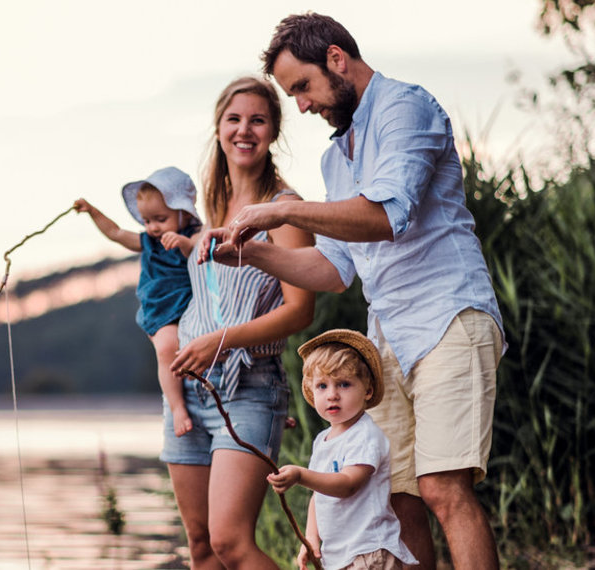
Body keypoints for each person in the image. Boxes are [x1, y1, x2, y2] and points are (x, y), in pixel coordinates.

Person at [202, 13, 506, 569]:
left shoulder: (403, 108)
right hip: (388, 336)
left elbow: (386, 215)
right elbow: (334, 268)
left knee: (443, 488)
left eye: (303, 87)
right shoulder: (335, 157)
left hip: (448, 317)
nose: (302, 104)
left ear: (337, 59)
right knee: (396, 495)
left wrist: (283, 207)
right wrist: (250, 250)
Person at [164, 76, 315, 569]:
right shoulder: (207, 210)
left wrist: (220, 342)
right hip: (189, 394)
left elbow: (300, 310)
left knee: (231, 541)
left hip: (249, 388)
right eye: (234, 119)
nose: (244, 130)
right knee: (202, 547)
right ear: (218, 128)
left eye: (257, 119)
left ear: (273, 131)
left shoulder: (284, 210)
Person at [267, 329, 417, 570]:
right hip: (339, 555)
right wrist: (311, 538)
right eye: (322, 386)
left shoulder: (365, 434)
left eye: (344, 384)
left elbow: (348, 484)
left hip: (368, 552)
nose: (332, 395)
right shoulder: (323, 439)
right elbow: (319, 494)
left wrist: (301, 475)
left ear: (367, 390)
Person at [73, 166, 201, 436]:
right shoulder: (148, 242)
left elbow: (200, 250)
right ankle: (177, 407)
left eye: (161, 219)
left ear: (184, 212)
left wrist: (183, 243)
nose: (153, 227)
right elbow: (117, 233)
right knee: (167, 348)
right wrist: (93, 212)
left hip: (193, 307)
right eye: (147, 221)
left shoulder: (194, 235)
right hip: (163, 310)